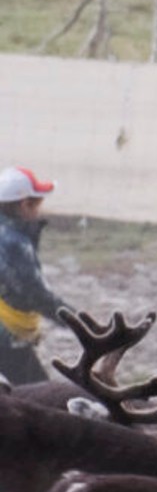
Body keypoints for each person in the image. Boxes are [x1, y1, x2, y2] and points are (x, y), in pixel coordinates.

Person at [0, 167, 57, 389]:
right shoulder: (15, 243)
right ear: (24, 205)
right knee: (42, 398)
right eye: (38, 204)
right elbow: (35, 295)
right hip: (6, 339)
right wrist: (75, 320)